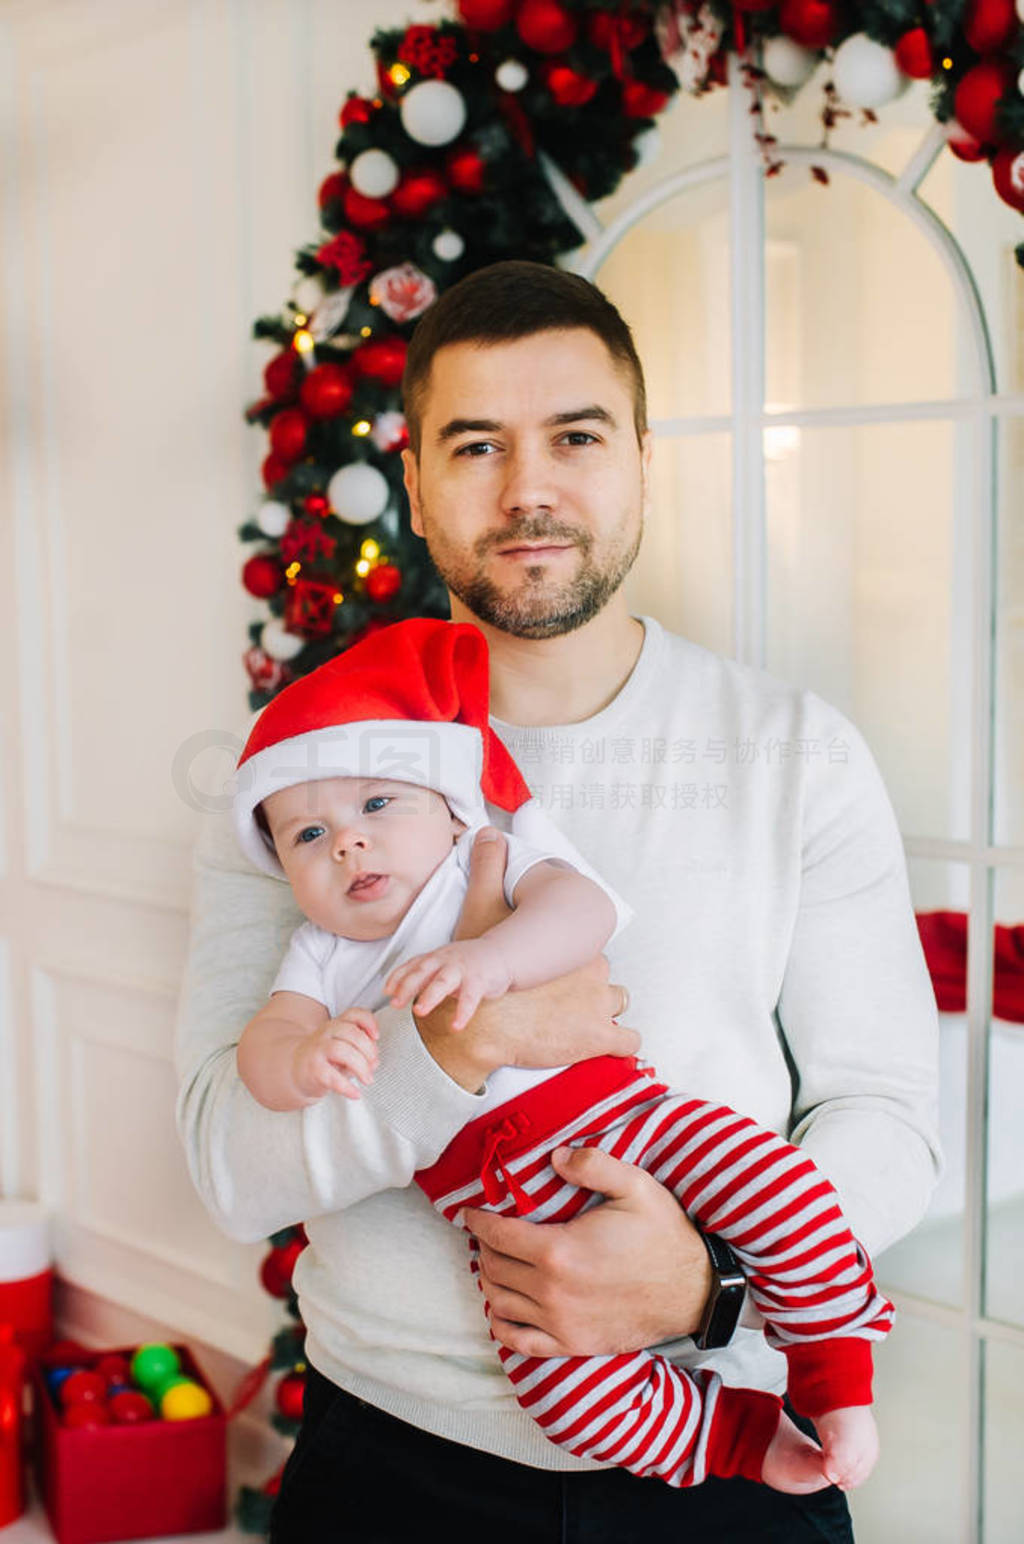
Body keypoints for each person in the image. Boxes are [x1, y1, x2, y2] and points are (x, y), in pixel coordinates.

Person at [175, 260, 941, 1542]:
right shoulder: (301, 775)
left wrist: (708, 1281)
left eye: (574, 437)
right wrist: (450, 1049)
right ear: (414, 484)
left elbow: (889, 1119)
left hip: (727, 1471)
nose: (528, 488)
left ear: (641, 458)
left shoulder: (792, 751)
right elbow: (225, 1161)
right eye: (475, 445)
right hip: (392, 1462)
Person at [230, 615, 892, 1497]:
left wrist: (490, 960)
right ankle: (734, 1438)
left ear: (448, 804)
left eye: (377, 803)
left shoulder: (489, 857)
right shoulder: (320, 951)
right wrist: (305, 1058)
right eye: (306, 837)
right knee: (563, 1393)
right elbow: (262, 1049)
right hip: (501, 1212)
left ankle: (833, 1374)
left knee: (777, 1186)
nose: (346, 841)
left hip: (634, 1123)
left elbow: (582, 911)